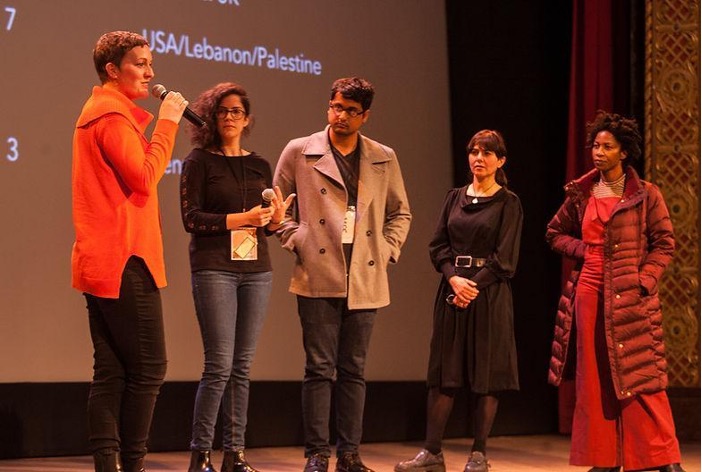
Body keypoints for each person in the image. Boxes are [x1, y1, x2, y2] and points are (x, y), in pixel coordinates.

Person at [273, 77, 412, 472]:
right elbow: (277, 204)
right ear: (328, 107)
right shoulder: (301, 151)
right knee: (319, 368)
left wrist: (386, 249)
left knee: (354, 370)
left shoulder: (383, 156)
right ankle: (317, 455)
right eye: (336, 107)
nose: (341, 116)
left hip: (364, 274)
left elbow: (400, 212)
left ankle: (350, 454)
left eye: (351, 111)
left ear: (364, 116)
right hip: (318, 268)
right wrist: (296, 238)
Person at [71, 31, 187, 472]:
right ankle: (132, 463)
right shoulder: (111, 115)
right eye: (140, 63)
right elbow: (143, 176)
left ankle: (109, 464)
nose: (151, 72)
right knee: (150, 367)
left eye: (150, 62)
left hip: (105, 258)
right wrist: (170, 121)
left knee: (113, 370)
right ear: (112, 71)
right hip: (123, 259)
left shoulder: (102, 112)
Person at [546, 111, 685, 472]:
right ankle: (604, 458)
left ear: (624, 152)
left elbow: (665, 244)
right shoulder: (582, 193)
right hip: (589, 292)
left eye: (607, 147)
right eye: (595, 145)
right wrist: (584, 251)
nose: (598, 152)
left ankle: (663, 458)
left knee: (641, 374)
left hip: (630, 294)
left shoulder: (645, 194)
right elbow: (554, 233)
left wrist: (645, 280)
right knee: (594, 380)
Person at [180, 82, 294, 472]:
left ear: (247, 120)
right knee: (219, 365)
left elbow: (265, 227)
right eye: (223, 111)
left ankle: (235, 454)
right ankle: (200, 455)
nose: (230, 117)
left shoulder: (260, 165)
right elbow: (190, 219)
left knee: (242, 366)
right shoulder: (198, 161)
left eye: (237, 112)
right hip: (214, 269)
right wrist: (240, 219)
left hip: (256, 271)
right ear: (211, 117)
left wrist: (276, 222)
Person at [395, 130, 522, 472]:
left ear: (500, 160)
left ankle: (479, 453)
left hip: (489, 294)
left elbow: (505, 259)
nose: (478, 158)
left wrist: (472, 287)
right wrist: (454, 279)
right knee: (443, 372)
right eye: (474, 151)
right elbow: (438, 246)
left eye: (487, 153)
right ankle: (432, 453)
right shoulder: (454, 198)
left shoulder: (508, 203)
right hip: (453, 290)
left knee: (486, 373)